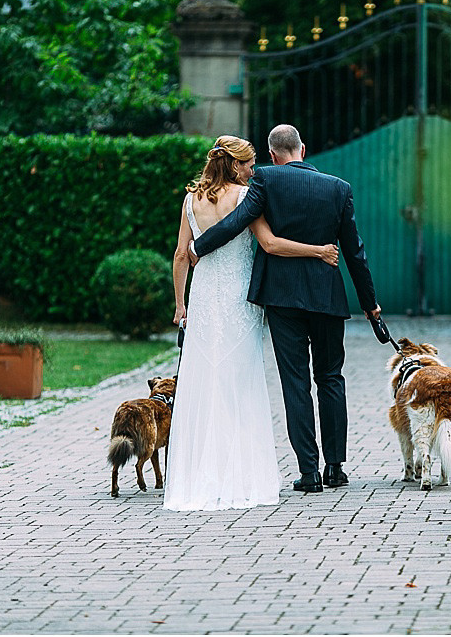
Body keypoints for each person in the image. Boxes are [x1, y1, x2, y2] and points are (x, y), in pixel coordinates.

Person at [189, 124, 381, 493]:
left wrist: (200, 247)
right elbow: (355, 253)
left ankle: (308, 473)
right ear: (303, 148)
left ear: (273, 153)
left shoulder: (266, 179)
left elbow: (237, 221)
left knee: (295, 382)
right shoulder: (339, 188)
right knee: (330, 378)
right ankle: (336, 468)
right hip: (327, 297)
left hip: (282, 298)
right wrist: (370, 304)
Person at [163, 135, 339, 511]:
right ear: (236, 166)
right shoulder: (246, 199)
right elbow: (271, 244)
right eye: (249, 164)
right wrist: (319, 251)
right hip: (240, 302)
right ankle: (241, 474)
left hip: (205, 300)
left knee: (204, 381)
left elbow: (181, 254)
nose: (254, 170)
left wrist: (180, 305)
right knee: (240, 383)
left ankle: (197, 474)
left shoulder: (190, 199)